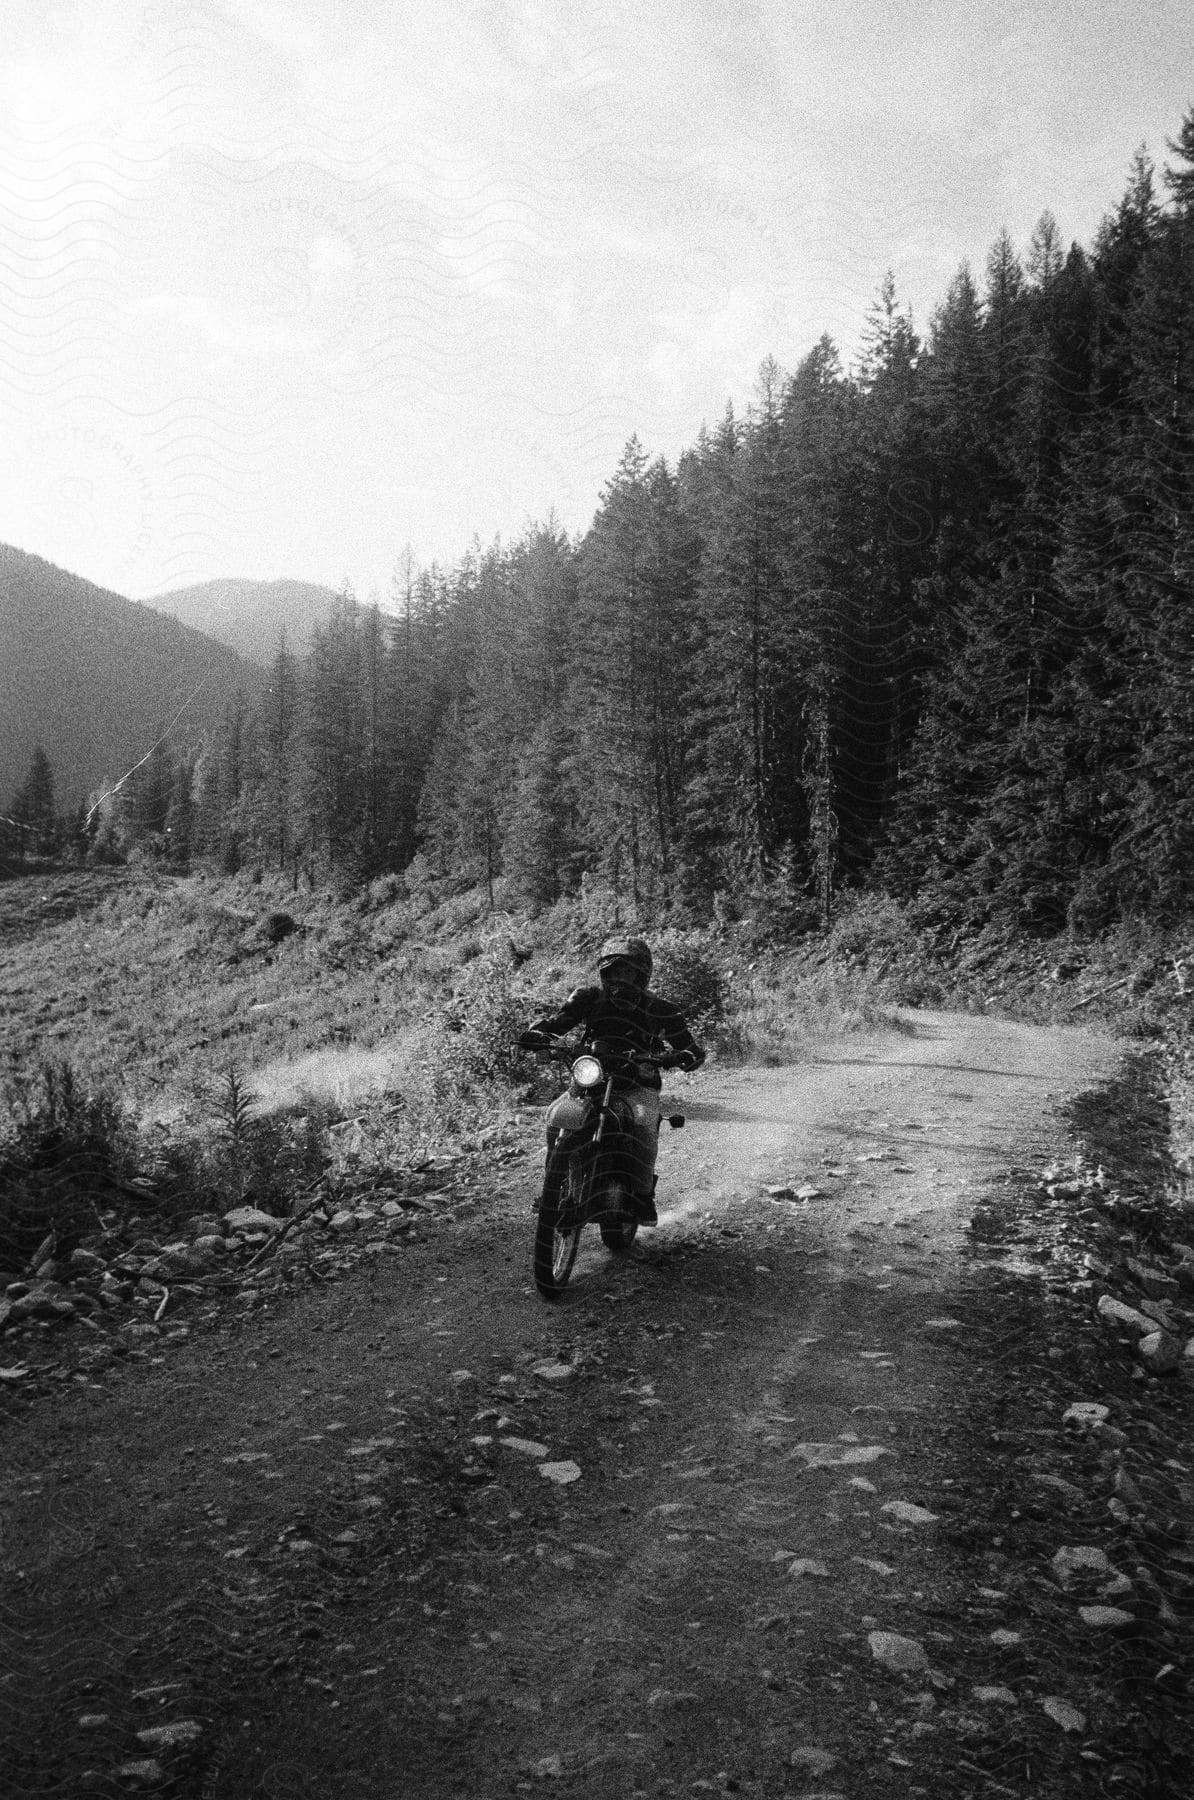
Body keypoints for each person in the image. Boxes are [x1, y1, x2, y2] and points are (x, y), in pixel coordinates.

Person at [518, 934, 705, 1224]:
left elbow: (688, 1046)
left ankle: (642, 1196)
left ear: (642, 973)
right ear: (604, 972)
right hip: (591, 1077)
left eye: (627, 971)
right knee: (556, 1116)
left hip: (637, 1081)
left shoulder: (660, 1008)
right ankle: (552, 1189)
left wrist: (685, 1056)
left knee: (643, 1124)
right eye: (613, 971)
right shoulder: (588, 998)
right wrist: (540, 1035)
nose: (620, 978)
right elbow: (558, 1023)